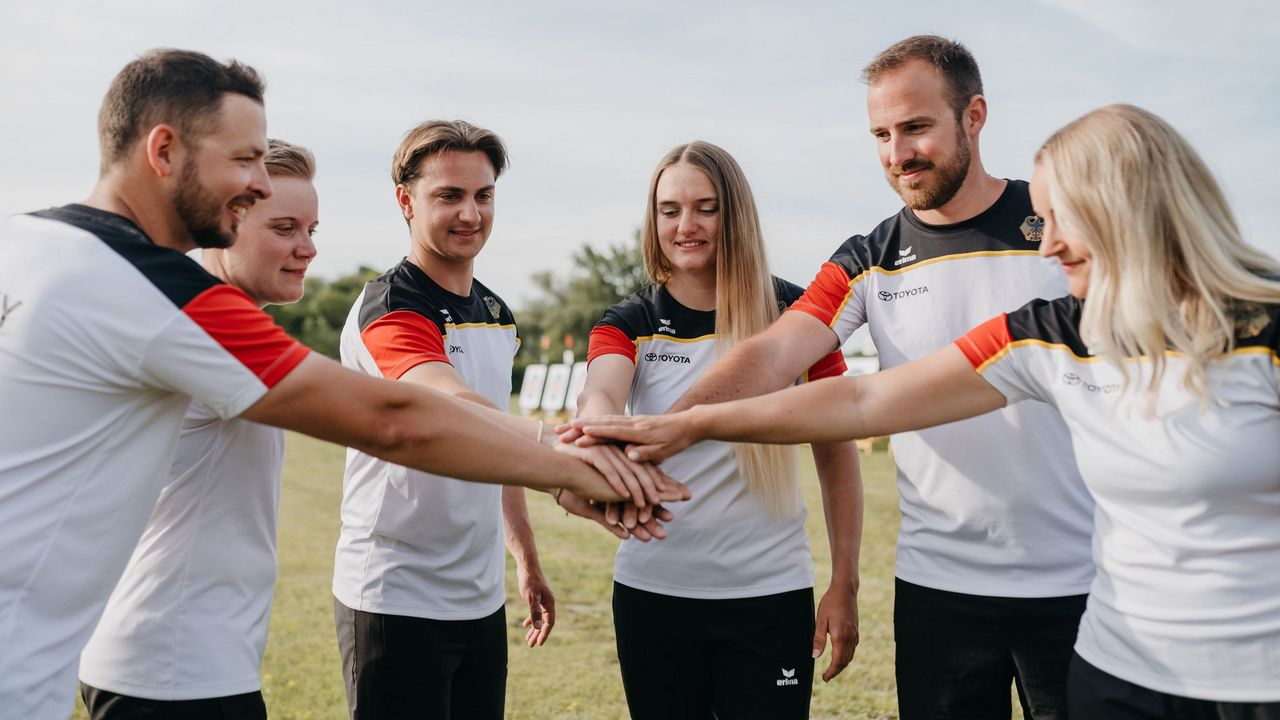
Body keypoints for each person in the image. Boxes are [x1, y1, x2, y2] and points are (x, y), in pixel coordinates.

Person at [0, 49, 681, 719]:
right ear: (164, 150)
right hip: (156, 671)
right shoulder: (160, 291)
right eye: (243, 161)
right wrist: (581, 470)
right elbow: (395, 419)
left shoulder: (26, 243)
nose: (255, 185)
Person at [576, 104, 1280, 719]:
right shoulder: (1043, 329)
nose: (1048, 240)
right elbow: (863, 398)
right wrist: (682, 425)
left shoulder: (1262, 329)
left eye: (1067, 218)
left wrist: (682, 426)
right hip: (1110, 667)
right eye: (880, 131)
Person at [580, 35, 1094, 719]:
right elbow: (771, 356)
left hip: (1081, 580)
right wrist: (667, 428)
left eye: (915, 127)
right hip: (937, 589)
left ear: (974, 117)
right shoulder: (864, 259)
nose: (896, 152)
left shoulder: (1058, 228)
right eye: (881, 133)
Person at [333, 120, 665, 720]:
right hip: (395, 595)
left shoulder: (496, 312)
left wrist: (526, 560)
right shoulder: (390, 304)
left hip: (478, 601)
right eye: (449, 196)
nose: (470, 213)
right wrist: (569, 460)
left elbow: (495, 441)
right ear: (406, 201)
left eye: (483, 196)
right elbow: (448, 407)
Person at [575, 141, 861, 719]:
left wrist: (845, 581)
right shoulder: (629, 321)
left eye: (706, 208)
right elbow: (600, 392)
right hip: (653, 595)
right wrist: (596, 426)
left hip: (770, 597)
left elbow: (836, 451)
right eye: (669, 210)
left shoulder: (796, 316)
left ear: (735, 215)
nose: (686, 225)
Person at [76, 138, 320, 720]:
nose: (307, 249)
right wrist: (554, 455)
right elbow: (394, 421)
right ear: (230, 219)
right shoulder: (207, 325)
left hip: (180, 657)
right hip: (171, 668)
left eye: (313, 229)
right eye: (285, 228)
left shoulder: (209, 314)